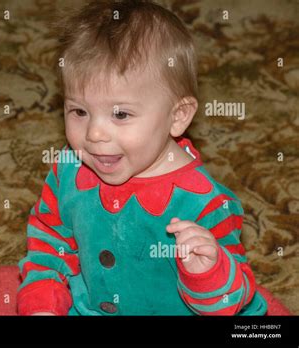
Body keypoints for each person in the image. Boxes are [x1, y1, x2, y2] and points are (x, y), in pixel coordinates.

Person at [17, 0, 268, 316]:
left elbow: (232, 298)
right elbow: (50, 239)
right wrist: (43, 300)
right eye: (79, 111)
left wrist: (207, 271)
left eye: (120, 113)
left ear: (177, 116)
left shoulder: (202, 202)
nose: (94, 134)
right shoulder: (69, 170)